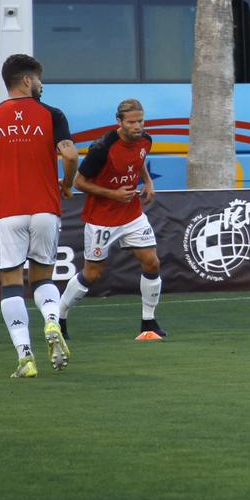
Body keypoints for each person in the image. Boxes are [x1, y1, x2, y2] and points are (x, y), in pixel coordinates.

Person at [0, 53, 79, 378]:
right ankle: (50, 321)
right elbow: (70, 155)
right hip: (45, 209)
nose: (42, 86)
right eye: (40, 80)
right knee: (43, 277)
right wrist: (67, 184)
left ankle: (25, 356)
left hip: (7, 212)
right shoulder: (51, 114)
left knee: (11, 282)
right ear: (28, 81)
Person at [57, 98, 166, 339]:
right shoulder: (102, 148)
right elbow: (80, 182)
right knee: (92, 274)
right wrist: (113, 194)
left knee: (152, 262)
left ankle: (148, 324)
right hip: (102, 219)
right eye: (132, 122)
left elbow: (138, 162)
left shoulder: (146, 140)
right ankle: (59, 317)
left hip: (132, 215)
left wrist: (148, 182)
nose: (138, 126)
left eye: (141, 121)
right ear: (119, 122)